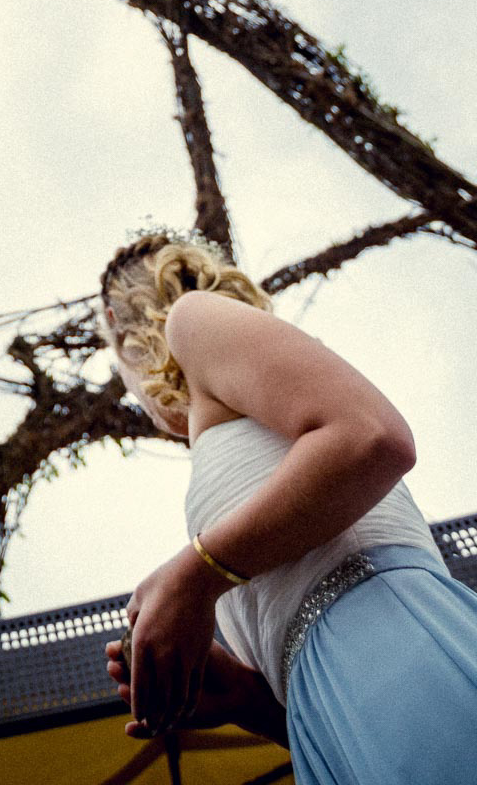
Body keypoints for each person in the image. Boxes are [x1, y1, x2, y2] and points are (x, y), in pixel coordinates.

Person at [98, 231, 477, 784]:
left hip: (391, 640)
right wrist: (245, 700)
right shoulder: (224, 430)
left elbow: (372, 438)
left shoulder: (193, 318)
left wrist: (194, 577)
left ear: (119, 323)